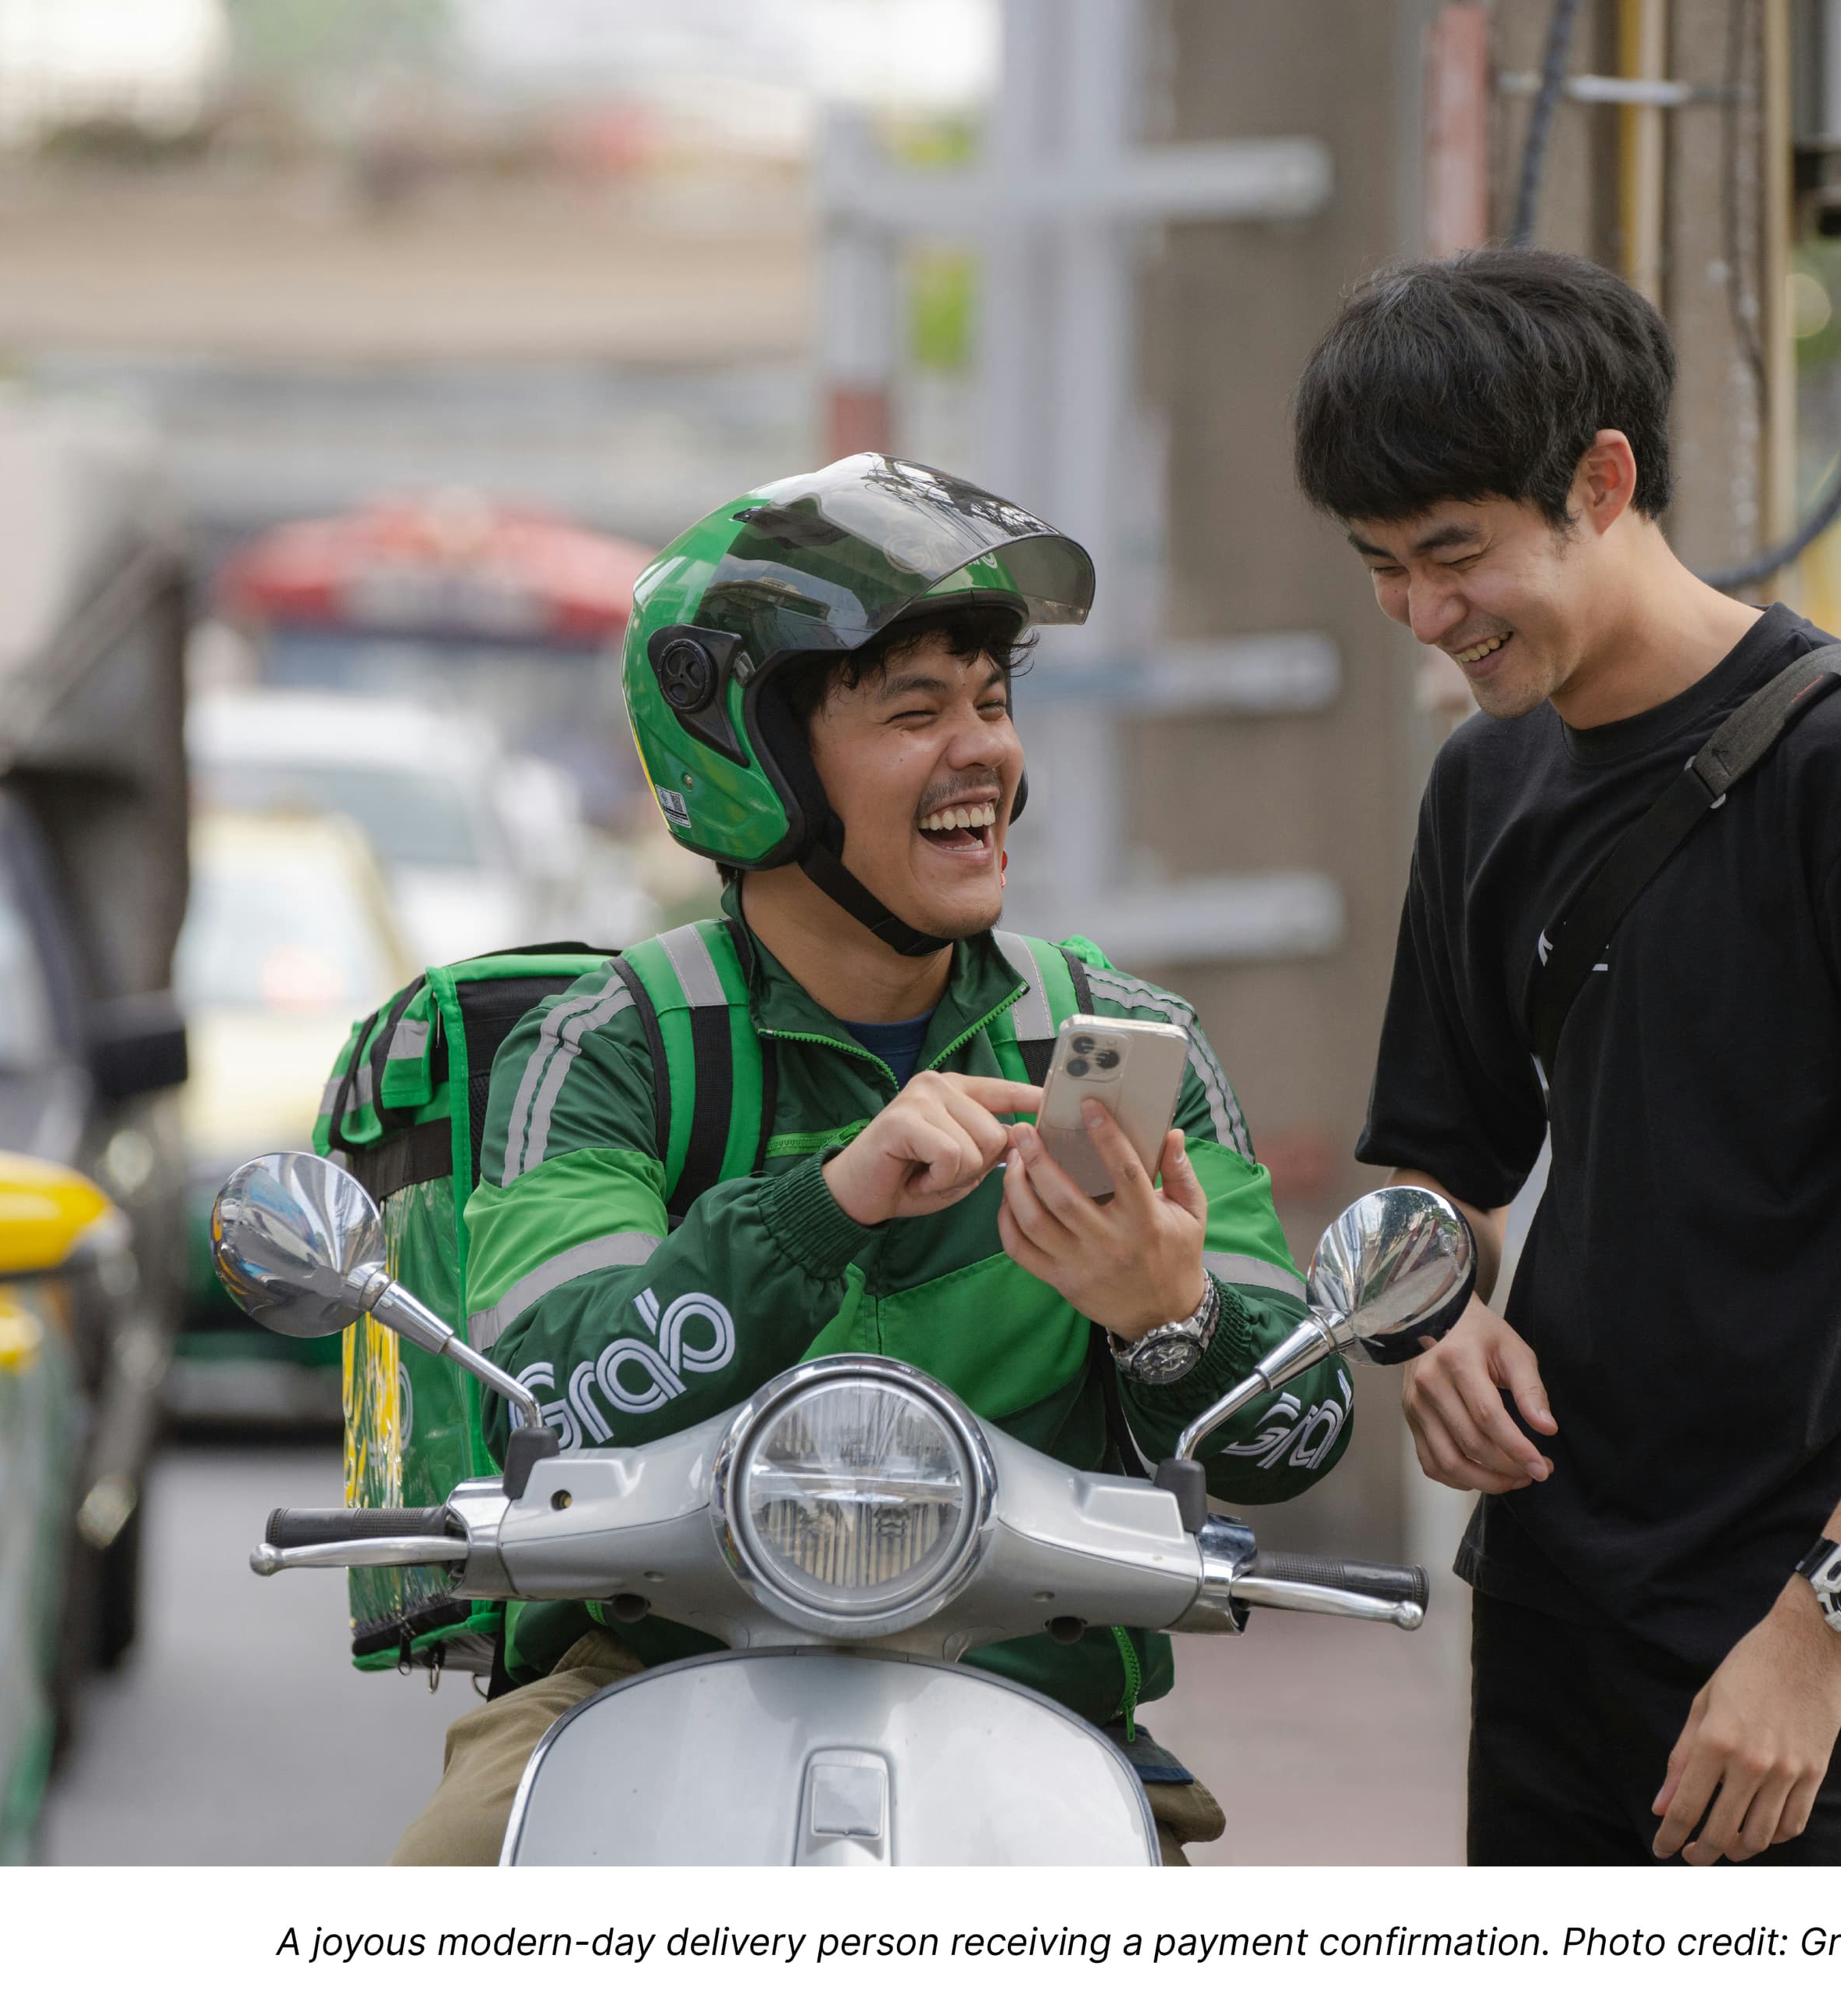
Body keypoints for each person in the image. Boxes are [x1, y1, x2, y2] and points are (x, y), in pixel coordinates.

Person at [389, 456, 1355, 1864]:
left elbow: (1300, 1431)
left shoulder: (1126, 1045)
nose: (985, 754)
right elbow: (552, 1400)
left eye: (994, 703)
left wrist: (1172, 1321)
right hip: (645, 1683)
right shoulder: (614, 1049)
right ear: (755, 761)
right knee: (444, 1885)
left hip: (1040, 1710)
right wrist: (818, 1210)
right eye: (916, 711)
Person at [1292, 250, 1841, 1866]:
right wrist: (1433, 1323)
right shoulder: (1484, 783)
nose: (1424, 613)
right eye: (1384, 567)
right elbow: (1442, 1169)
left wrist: (1824, 1626)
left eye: (1455, 555)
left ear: (1604, 480)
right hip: (1560, 1615)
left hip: (1837, 1641)